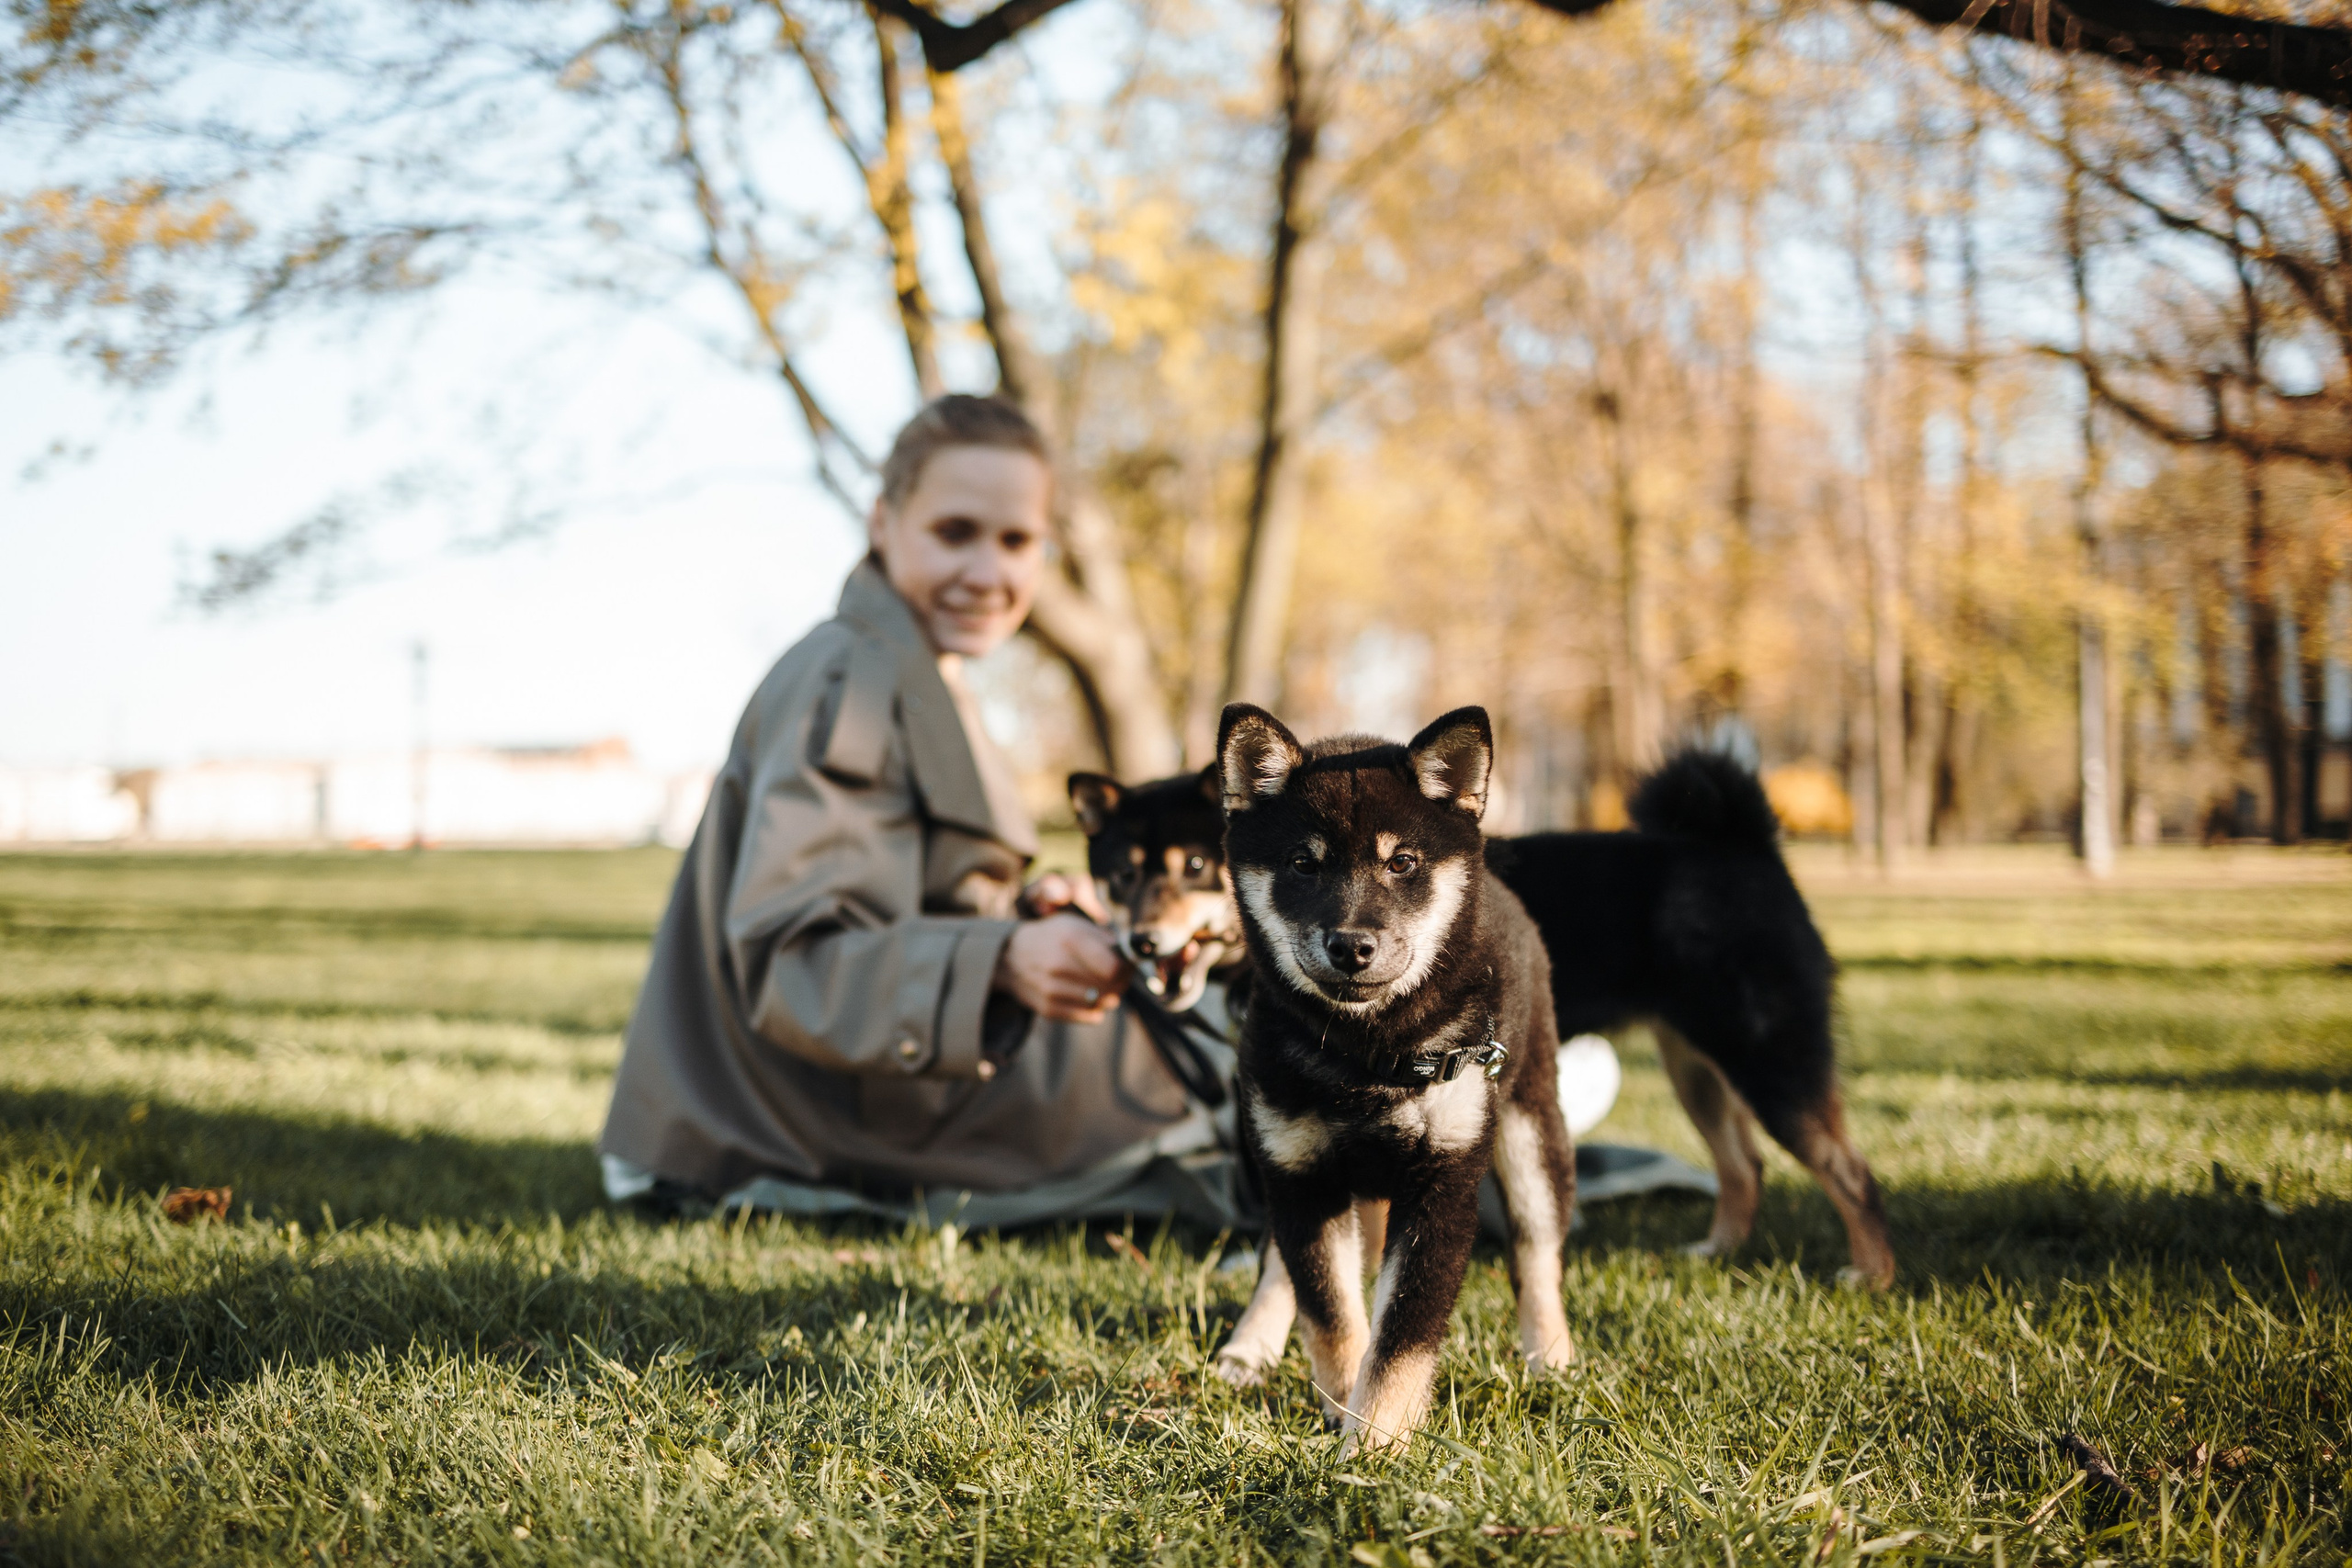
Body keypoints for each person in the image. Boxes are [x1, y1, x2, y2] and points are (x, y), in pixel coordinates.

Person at [597, 395, 1243, 1229]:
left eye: (1017, 541)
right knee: (1240, 1097)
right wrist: (1006, 958)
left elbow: (906, 890)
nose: (988, 572)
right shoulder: (850, 686)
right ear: (882, 521)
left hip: (862, 1085)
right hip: (774, 1128)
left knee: (1218, 1052)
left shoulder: (916, 669)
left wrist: (1024, 908)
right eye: (954, 532)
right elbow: (796, 961)